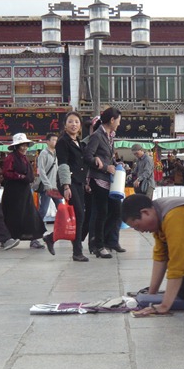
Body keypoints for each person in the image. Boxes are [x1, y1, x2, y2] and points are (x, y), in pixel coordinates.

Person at [45, 111, 90, 262]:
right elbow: (63, 164)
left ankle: (51, 238)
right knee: (79, 215)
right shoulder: (63, 142)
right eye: (70, 121)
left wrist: (87, 182)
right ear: (65, 125)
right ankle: (77, 251)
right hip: (68, 182)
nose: (74, 124)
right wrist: (65, 186)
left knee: (79, 216)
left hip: (79, 182)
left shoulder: (79, 142)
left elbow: (83, 165)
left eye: (76, 122)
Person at [83, 107, 125, 258]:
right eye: (118, 121)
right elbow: (87, 156)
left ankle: (106, 241)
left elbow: (108, 157)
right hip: (98, 179)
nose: (119, 124)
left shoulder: (110, 136)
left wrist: (116, 164)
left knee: (116, 211)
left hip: (108, 180)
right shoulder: (97, 135)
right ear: (112, 120)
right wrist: (105, 166)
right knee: (101, 213)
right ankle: (99, 246)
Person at [1, 133, 47, 249]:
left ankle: (34, 239)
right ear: (16, 146)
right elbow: (6, 173)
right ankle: (6, 238)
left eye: (26, 145)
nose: (24, 147)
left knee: (31, 214)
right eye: (22, 145)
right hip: (13, 192)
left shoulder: (24, 158)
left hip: (24, 191)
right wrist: (20, 177)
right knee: (12, 216)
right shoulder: (10, 158)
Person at [37, 132, 62, 223]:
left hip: (56, 187)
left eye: (56, 140)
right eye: (53, 140)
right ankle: (36, 229)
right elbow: (41, 171)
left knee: (61, 209)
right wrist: (47, 184)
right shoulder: (44, 153)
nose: (55, 142)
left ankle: (60, 230)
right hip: (47, 187)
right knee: (43, 209)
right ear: (47, 141)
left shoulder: (57, 153)